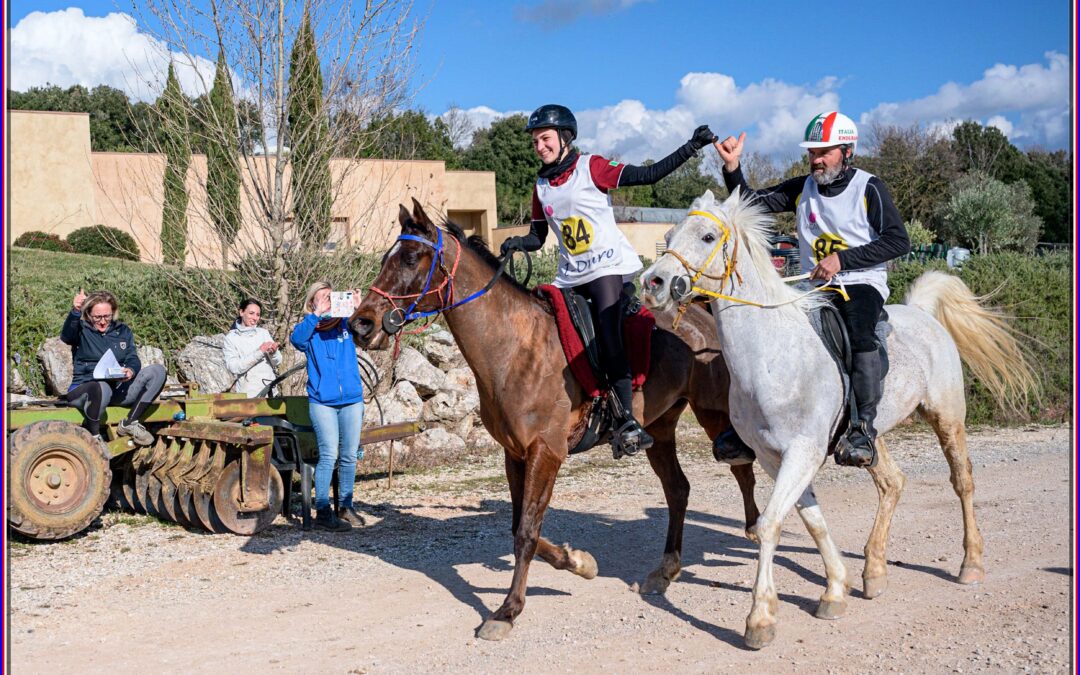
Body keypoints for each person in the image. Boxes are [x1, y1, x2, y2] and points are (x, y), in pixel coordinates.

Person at [500, 104, 720, 459]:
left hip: (606, 269)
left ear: (565, 138)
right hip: (569, 276)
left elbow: (648, 176)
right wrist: (517, 244)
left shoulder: (592, 167)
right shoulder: (541, 186)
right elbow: (538, 237)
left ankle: (626, 421)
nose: (539, 146)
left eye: (545, 139)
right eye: (535, 141)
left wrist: (691, 147)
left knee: (608, 334)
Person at [713, 111, 910, 467]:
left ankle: (862, 428)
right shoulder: (801, 187)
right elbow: (751, 203)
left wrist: (843, 260)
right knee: (763, 331)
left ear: (847, 151)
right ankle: (747, 429)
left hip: (859, 282)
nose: (816, 160)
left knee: (860, 335)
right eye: (812, 153)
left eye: (825, 152)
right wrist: (732, 168)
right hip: (813, 285)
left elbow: (898, 241)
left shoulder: (869, 187)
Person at [290, 281, 366, 532]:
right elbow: (296, 340)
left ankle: (345, 506)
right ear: (312, 302)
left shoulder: (346, 324)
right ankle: (323, 511)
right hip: (322, 402)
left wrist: (359, 308)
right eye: (323, 298)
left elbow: (368, 335)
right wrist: (316, 315)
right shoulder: (309, 329)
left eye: (331, 297)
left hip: (352, 400)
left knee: (349, 456)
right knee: (329, 455)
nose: (328, 301)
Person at [61, 289, 167, 446]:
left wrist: (130, 371)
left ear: (113, 313)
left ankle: (130, 422)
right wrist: (76, 311)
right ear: (89, 315)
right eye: (98, 317)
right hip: (86, 390)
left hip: (118, 389)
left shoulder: (123, 331)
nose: (103, 321)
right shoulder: (81, 329)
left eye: (107, 316)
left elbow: (132, 357)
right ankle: (95, 437)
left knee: (157, 371)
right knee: (101, 387)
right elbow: (67, 336)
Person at [223, 298, 282, 398]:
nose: (255, 318)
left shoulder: (263, 333)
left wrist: (274, 352)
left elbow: (278, 362)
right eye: (251, 313)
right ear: (241, 312)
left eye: (258, 315)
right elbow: (234, 367)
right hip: (248, 396)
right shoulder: (231, 338)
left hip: (270, 393)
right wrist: (259, 352)